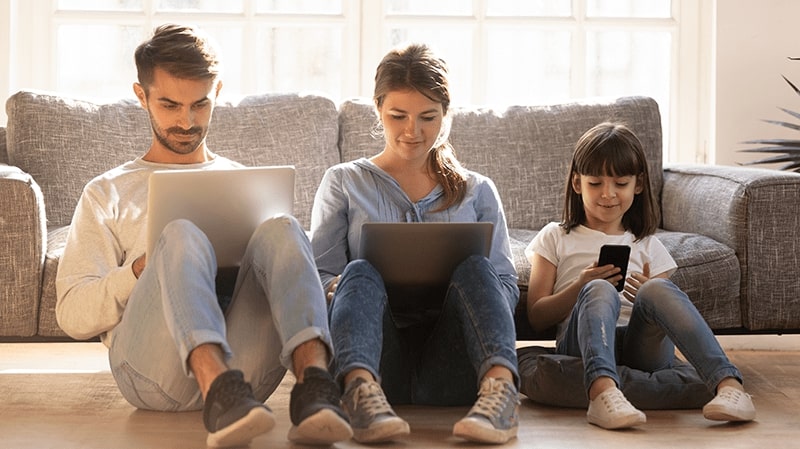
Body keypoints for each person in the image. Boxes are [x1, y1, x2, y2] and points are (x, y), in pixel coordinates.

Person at [55, 24, 352, 448]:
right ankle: (219, 391)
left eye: (200, 104)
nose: (186, 121)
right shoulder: (108, 191)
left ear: (218, 92)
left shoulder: (244, 183)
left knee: (284, 226)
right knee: (178, 234)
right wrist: (142, 268)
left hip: (248, 370)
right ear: (141, 96)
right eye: (170, 104)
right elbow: (71, 314)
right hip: (151, 371)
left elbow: (287, 275)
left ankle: (317, 390)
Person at [310, 43, 520, 445]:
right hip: (375, 357)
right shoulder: (343, 182)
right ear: (377, 109)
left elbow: (507, 288)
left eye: (428, 117)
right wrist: (342, 288)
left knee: (480, 269)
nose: (413, 131)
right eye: (398, 116)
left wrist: (472, 292)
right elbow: (319, 277)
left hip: (456, 363)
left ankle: (502, 397)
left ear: (446, 114)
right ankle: (359, 395)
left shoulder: (477, 190)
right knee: (358, 270)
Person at [524, 122, 756, 430]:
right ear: (577, 183)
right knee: (598, 289)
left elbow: (668, 319)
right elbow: (537, 316)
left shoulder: (647, 244)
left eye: (620, 183)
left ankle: (729, 387)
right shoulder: (555, 237)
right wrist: (579, 286)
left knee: (658, 289)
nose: (607, 194)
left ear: (638, 185)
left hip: (640, 347)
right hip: (582, 343)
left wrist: (648, 291)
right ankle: (603, 393)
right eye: (595, 184)